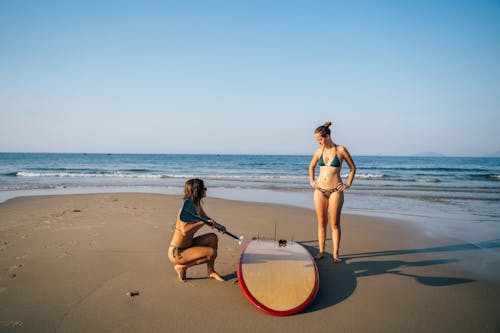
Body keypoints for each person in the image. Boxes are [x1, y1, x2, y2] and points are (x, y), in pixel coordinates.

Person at [309, 122, 356, 262]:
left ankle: (335, 254)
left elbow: (353, 168)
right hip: (319, 191)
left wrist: (348, 184)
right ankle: (321, 252)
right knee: (321, 223)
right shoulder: (319, 151)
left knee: (334, 223)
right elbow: (311, 167)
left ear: (327, 136)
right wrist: (312, 181)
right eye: (317, 140)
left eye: (320, 139)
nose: (319, 142)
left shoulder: (341, 150)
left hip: (335, 191)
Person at [168, 178, 226, 282]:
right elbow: (184, 230)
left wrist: (219, 226)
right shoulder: (186, 209)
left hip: (189, 245)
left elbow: (207, 219)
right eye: (204, 188)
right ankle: (182, 267)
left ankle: (211, 271)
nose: (206, 190)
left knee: (213, 238)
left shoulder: (197, 205)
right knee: (212, 253)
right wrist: (203, 222)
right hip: (177, 252)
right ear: (197, 191)